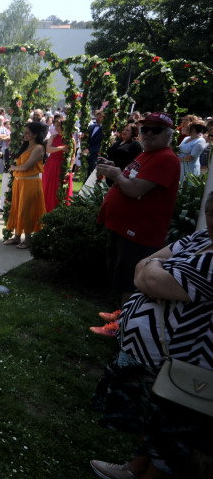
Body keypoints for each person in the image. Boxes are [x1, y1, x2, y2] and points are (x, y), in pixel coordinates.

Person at [90, 196, 213, 479]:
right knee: (151, 418)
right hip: (150, 354)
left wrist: (154, 270)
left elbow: (151, 278)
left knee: (170, 429)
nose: (209, 220)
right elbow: (143, 266)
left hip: (184, 359)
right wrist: (153, 270)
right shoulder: (201, 238)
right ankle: (134, 468)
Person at [96, 112, 181, 304]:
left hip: (139, 232)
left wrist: (117, 175)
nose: (149, 133)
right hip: (124, 228)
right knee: (120, 276)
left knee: (129, 282)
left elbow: (135, 190)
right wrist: (115, 169)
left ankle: (123, 326)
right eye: (145, 129)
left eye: (156, 130)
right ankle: (118, 318)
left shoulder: (164, 158)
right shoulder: (148, 154)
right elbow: (132, 178)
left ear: (168, 135)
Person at [4, 121, 47, 249]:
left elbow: (27, 166)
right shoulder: (26, 146)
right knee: (17, 208)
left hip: (30, 183)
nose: (25, 134)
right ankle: (17, 237)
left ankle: (28, 240)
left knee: (26, 210)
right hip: (19, 182)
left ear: (35, 134)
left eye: (27, 132)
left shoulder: (38, 148)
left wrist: (13, 168)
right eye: (25, 132)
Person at [42, 114, 72, 212]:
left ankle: (61, 211)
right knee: (50, 189)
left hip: (63, 166)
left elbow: (73, 155)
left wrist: (69, 169)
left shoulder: (70, 139)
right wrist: (61, 148)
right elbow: (48, 149)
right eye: (55, 125)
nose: (56, 127)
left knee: (61, 189)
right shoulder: (53, 137)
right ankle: (48, 209)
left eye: (57, 125)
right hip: (52, 165)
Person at [83, 110, 106, 176]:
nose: (97, 118)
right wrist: (83, 137)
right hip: (87, 156)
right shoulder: (91, 126)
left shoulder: (105, 130)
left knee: (94, 176)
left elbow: (101, 144)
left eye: (100, 117)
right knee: (85, 175)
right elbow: (87, 138)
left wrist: (89, 150)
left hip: (96, 156)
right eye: (97, 117)